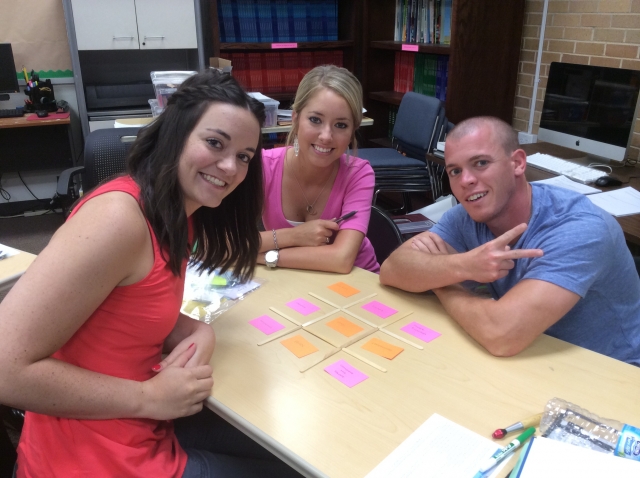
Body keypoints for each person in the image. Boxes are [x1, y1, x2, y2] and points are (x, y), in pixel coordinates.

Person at [0, 70, 301, 477]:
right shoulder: (119, 219)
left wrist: (197, 330)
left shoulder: (178, 214)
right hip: (90, 459)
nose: (230, 166)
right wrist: (146, 397)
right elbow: (7, 370)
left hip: (140, 429)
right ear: (175, 135)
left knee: (286, 445)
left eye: (245, 156)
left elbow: (129, 312)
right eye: (215, 143)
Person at [380, 116, 640, 364]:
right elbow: (392, 270)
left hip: (611, 373)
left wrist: (442, 282)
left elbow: (501, 334)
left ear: (517, 163)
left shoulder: (580, 229)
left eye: (480, 163)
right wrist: (462, 266)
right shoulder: (466, 214)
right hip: (533, 354)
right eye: (455, 171)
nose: (466, 180)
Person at [258, 65, 379, 273]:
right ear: (295, 119)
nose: (326, 136)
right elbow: (221, 242)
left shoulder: (359, 174)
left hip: (357, 283)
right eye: (315, 120)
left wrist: (260, 254)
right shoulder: (263, 166)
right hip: (291, 279)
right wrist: (295, 235)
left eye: (340, 125)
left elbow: (341, 260)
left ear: (352, 132)